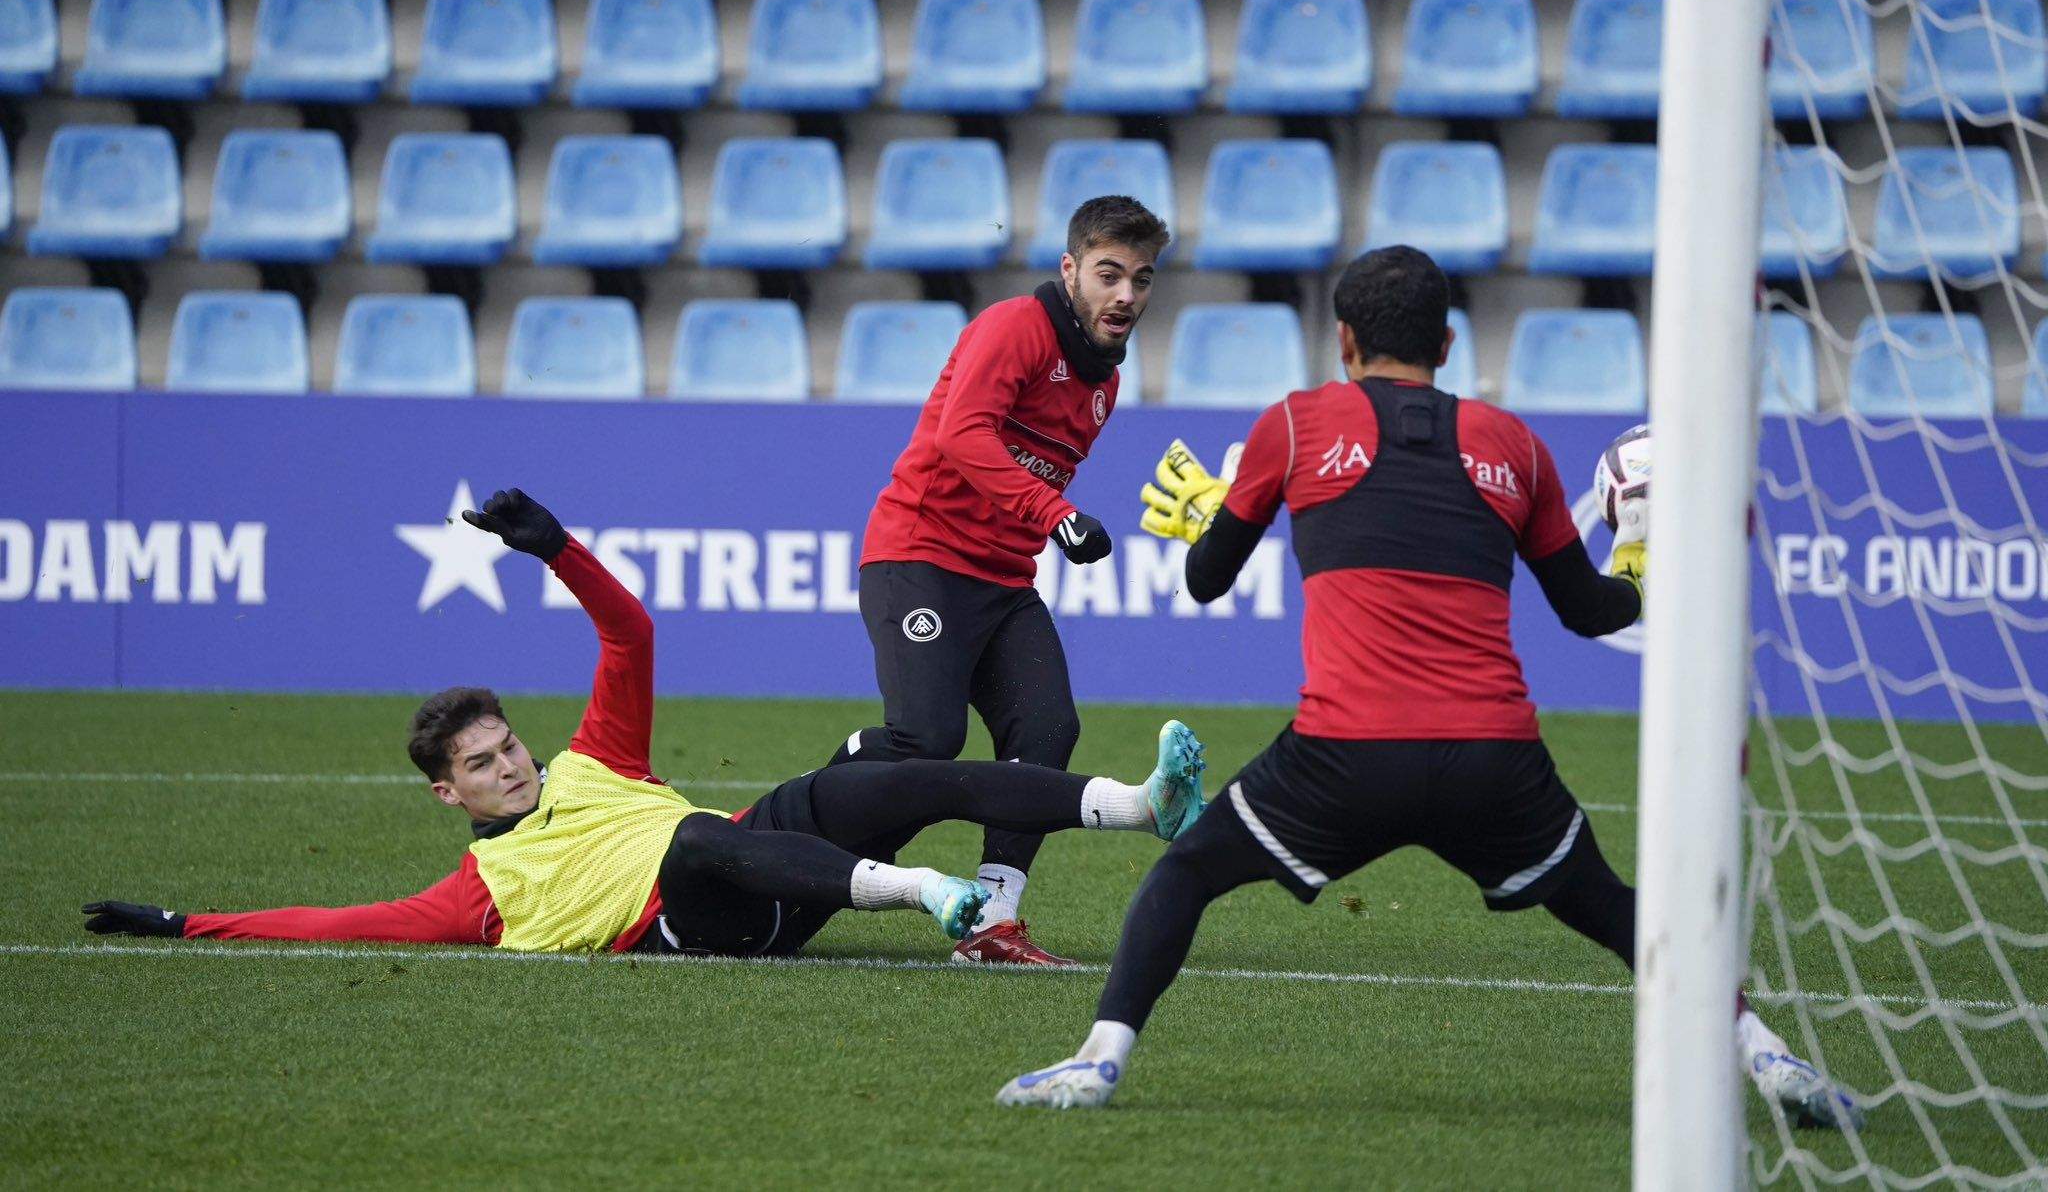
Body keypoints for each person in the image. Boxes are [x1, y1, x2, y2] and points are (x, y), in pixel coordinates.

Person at [997, 246, 1862, 1133]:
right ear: (1448, 344)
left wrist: (1217, 520)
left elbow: (1209, 580)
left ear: (1342, 340)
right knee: (1617, 910)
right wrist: (1638, 555)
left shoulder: (1293, 426)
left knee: (1183, 875)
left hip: (1343, 756)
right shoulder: (1513, 446)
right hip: (1491, 758)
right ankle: (1767, 1054)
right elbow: (1592, 612)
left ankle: (1098, 1063)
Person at [82, 488, 1210, 959]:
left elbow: (629, 639)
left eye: (507, 742)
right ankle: (928, 897)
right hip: (705, 918)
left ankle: (1131, 805)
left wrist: (558, 549)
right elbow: (338, 924)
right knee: (690, 842)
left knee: (905, 767)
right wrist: (189, 923)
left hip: (771, 849)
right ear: (449, 794)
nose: (510, 763)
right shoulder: (476, 898)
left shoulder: (588, 758)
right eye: (481, 763)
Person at [833, 195, 1170, 966]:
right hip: (917, 555)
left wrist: (1043, 521)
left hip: (1001, 580)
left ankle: (991, 919)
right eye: (1109, 273)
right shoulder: (1017, 326)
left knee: (1048, 730)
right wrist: (1054, 513)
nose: (1126, 296)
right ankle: (817, 796)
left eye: (1142, 280)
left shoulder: (1103, 382)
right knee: (928, 736)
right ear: (1070, 268)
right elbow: (961, 435)